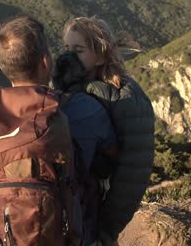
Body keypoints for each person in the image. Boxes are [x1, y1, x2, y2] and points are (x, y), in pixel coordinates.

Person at [0, 15, 117, 246]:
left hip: (10, 234)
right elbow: (110, 161)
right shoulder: (85, 109)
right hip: (77, 235)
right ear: (46, 61)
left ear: (2, 65)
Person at [60, 16, 155, 246]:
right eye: (66, 49)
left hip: (97, 218)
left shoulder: (127, 99)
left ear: (101, 55)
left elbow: (132, 175)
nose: (69, 57)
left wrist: (107, 230)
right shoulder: (70, 89)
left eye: (79, 50)